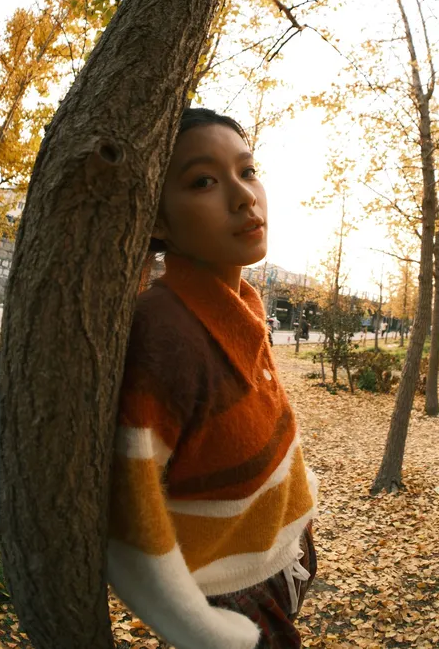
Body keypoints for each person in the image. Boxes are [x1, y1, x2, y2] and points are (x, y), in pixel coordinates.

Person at [107, 108, 318, 649]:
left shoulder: (240, 300)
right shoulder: (163, 328)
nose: (245, 196)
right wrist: (207, 633)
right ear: (158, 219)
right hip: (232, 607)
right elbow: (129, 517)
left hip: (274, 563)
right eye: (204, 181)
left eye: (247, 171)